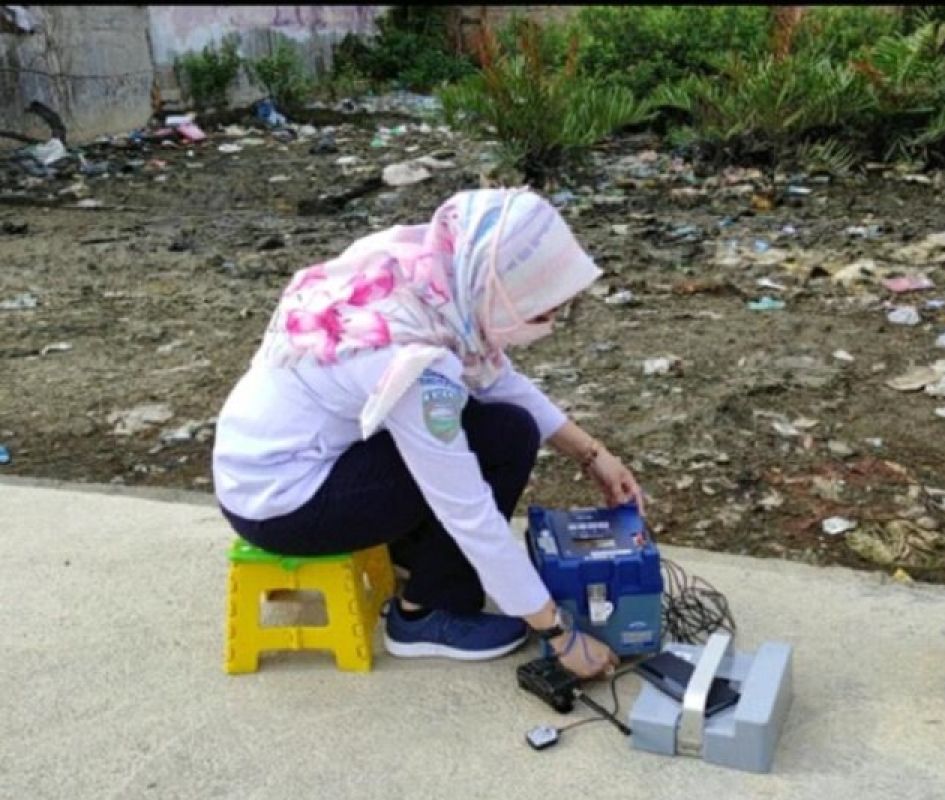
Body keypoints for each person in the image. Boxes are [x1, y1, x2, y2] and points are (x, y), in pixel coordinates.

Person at [212, 188, 644, 679]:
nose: (548, 324)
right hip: (283, 505)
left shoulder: (422, 273)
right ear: (495, 286)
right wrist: (559, 634)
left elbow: (497, 378)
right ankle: (424, 613)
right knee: (501, 442)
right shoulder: (414, 367)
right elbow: (466, 507)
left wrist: (593, 455)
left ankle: (414, 558)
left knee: (501, 425)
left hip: (264, 462)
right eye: (541, 311)